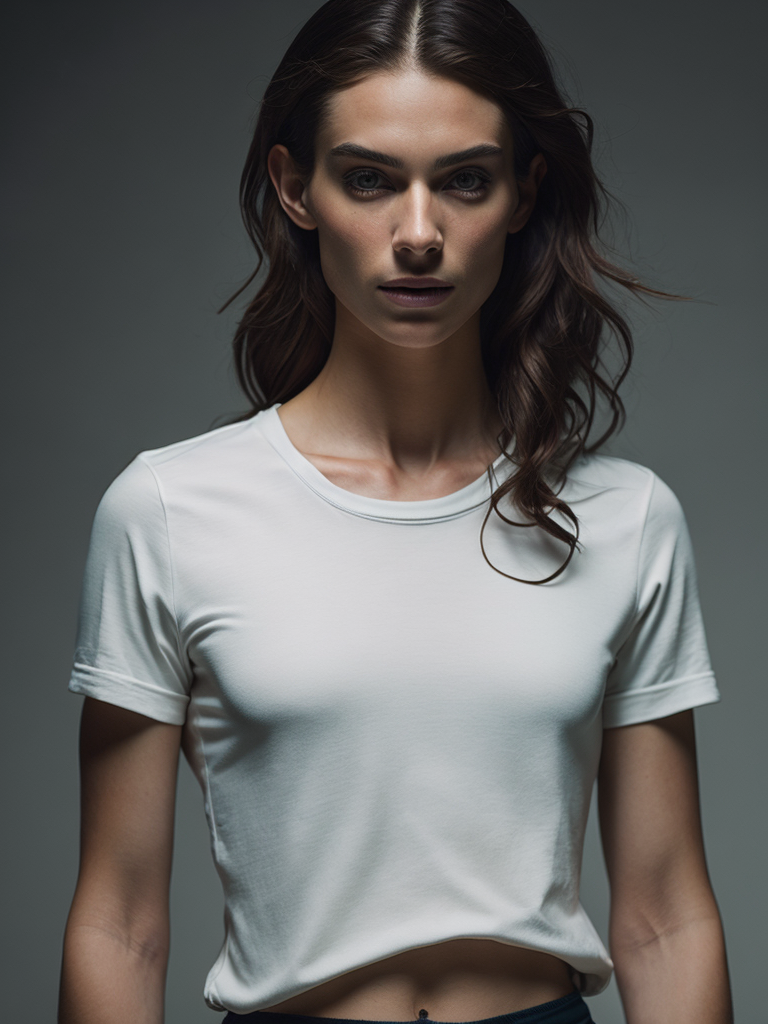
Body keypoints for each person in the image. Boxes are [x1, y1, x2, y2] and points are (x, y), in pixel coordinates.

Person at [58, 1, 734, 1023]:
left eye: (464, 180)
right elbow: (118, 920)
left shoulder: (627, 519)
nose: (418, 234)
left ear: (521, 193)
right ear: (296, 188)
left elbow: (665, 916)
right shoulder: (166, 510)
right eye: (370, 179)